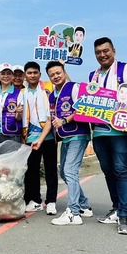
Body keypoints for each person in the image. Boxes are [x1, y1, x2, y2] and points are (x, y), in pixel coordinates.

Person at [89, 37, 127, 235]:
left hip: (120, 130)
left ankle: (125, 214)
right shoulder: (93, 75)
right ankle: (117, 207)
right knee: (109, 170)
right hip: (100, 131)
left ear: (113, 50)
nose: (102, 55)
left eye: (106, 51)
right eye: (98, 52)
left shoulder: (125, 69)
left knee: (122, 170)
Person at [46, 61, 92, 225]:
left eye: (58, 72)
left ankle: (73, 212)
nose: (56, 76)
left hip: (78, 135)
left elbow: (82, 108)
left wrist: (64, 120)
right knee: (65, 173)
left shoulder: (74, 87)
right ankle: (84, 205)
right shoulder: (53, 95)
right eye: (52, 74)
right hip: (65, 137)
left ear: (64, 72)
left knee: (70, 170)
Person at [22, 61, 58, 215]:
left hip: (48, 135)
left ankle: (51, 202)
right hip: (30, 136)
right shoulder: (22, 93)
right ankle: (35, 200)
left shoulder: (48, 88)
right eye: (29, 73)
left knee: (50, 169)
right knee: (32, 170)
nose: (32, 75)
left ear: (40, 74)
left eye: (35, 72)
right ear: (25, 75)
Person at [0, 63, 24, 144]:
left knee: (12, 156)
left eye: (9, 73)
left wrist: (19, 113)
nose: (6, 76)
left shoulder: (18, 93)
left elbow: (19, 118)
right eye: (3, 73)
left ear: (12, 76)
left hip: (12, 134)